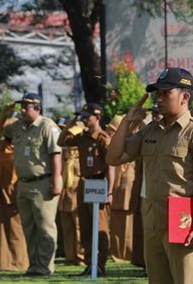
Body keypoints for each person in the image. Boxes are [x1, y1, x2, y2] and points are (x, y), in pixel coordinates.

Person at [105, 67, 193, 284]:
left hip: (184, 220)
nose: (159, 98)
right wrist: (128, 122)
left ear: (185, 97)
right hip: (153, 220)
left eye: (166, 93)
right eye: (158, 93)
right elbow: (113, 157)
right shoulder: (150, 131)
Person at [0, 93, 62, 276]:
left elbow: (56, 155)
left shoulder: (47, 126)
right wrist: (4, 114)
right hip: (24, 184)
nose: (23, 110)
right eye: (22, 106)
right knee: (29, 227)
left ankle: (45, 267)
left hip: (43, 182)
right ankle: (34, 266)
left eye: (27, 106)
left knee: (45, 227)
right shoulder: (17, 126)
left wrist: (56, 180)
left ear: (38, 108)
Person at [57, 103, 115, 276]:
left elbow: (111, 166)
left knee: (100, 226)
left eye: (87, 116)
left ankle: (100, 265)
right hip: (84, 183)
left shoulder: (103, 138)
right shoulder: (81, 136)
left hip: (99, 183)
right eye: (82, 116)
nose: (84, 119)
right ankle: (90, 264)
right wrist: (72, 122)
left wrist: (110, 191)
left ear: (97, 117)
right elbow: (61, 142)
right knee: (85, 226)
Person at [0, 121, 29, 271]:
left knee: (17, 231)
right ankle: (6, 262)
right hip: (4, 194)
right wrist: (1, 120)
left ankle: (18, 263)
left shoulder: (17, 149)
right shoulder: (5, 148)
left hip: (14, 194)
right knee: (5, 230)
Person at [106, 115, 136, 262]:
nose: (109, 133)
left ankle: (127, 253)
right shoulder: (114, 146)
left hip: (128, 188)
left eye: (112, 131)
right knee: (116, 221)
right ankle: (116, 252)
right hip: (117, 188)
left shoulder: (131, 143)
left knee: (128, 223)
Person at [56, 118, 85, 266]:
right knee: (67, 226)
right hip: (65, 192)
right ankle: (70, 256)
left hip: (77, 192)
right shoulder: (65, 153)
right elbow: (60, 141)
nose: (70, 137)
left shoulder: (83, 152)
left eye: (72, 135)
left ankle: (80, 256)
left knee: (79, 225)